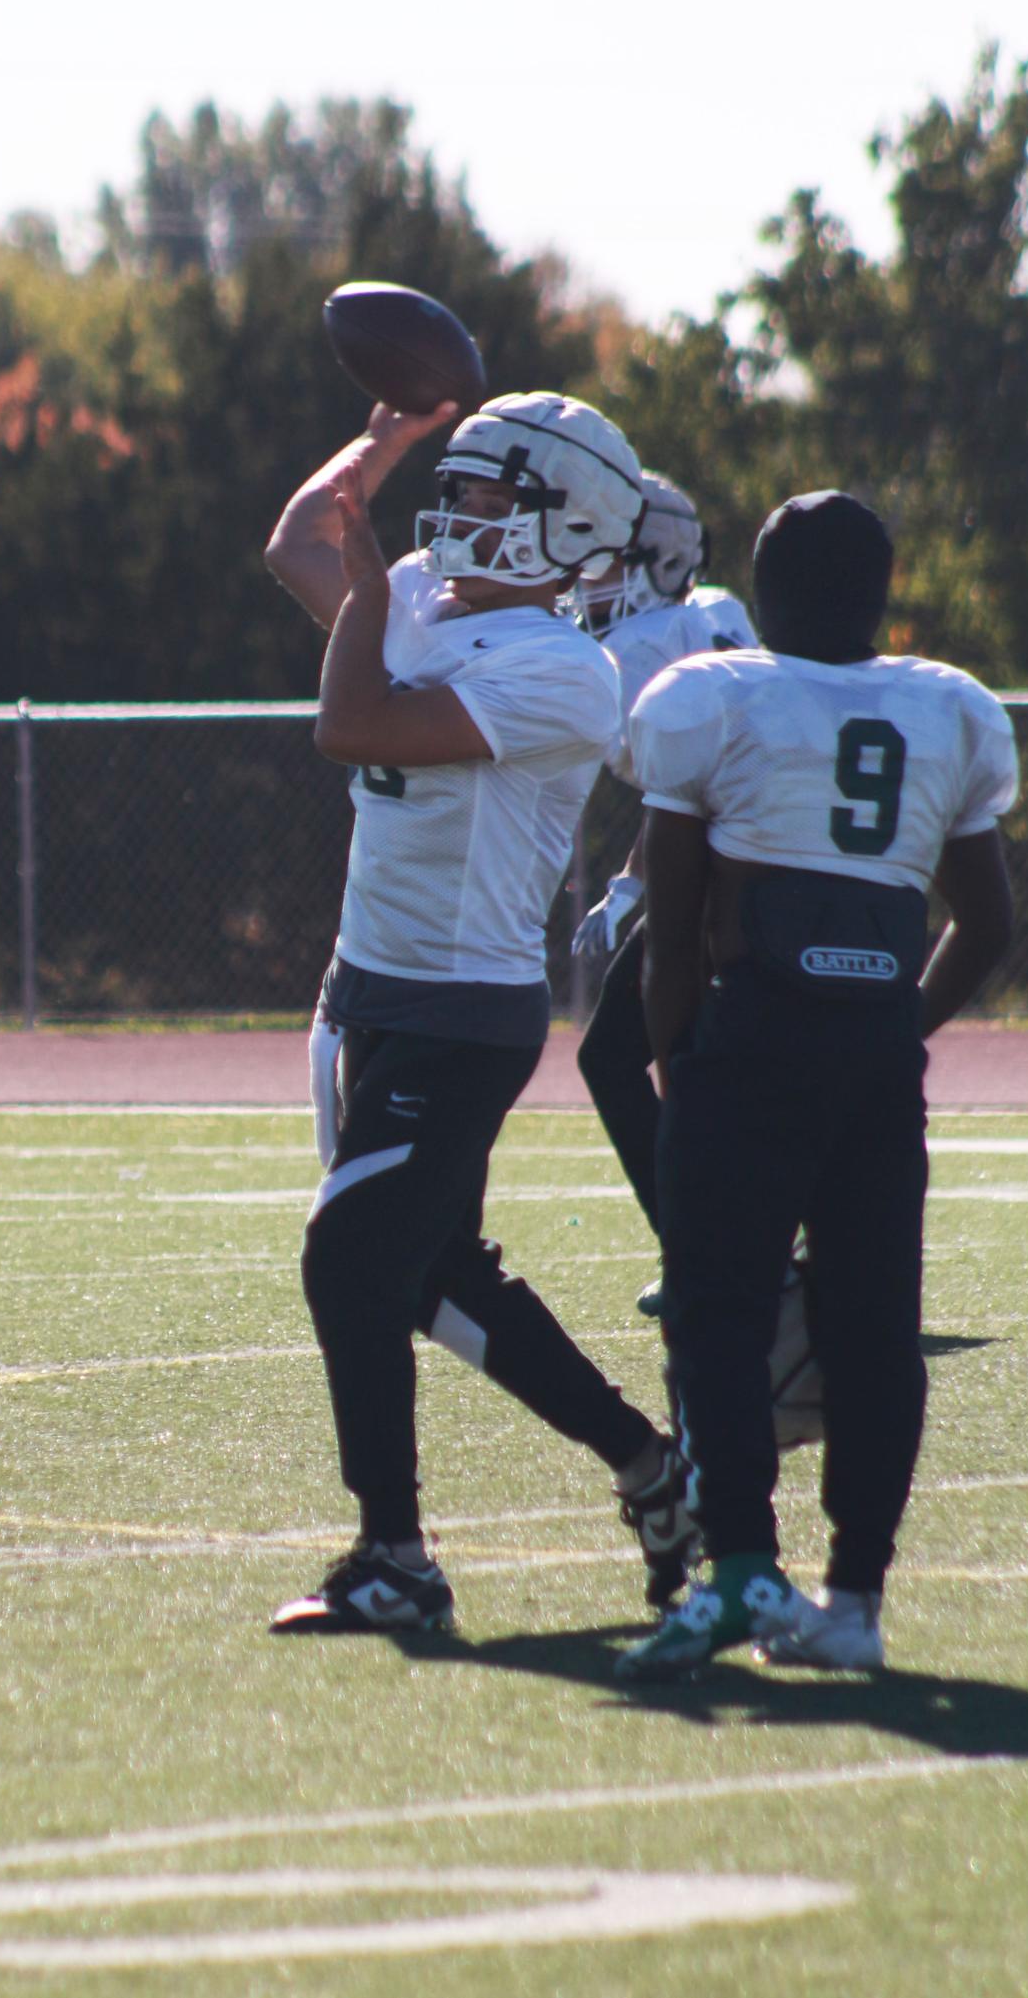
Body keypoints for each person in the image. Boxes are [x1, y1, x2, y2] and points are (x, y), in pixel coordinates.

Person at [263, 391, 700, 1633]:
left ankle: (394, 1557)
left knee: (349, 1261)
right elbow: (294, 542)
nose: (454, 513)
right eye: (450, 488)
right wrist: (384, 438)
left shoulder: (565, 669)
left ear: (571, 528)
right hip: (360, 995)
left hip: (461, 1013)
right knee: (422, 1275)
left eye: (488, 495)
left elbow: (347, 726)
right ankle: (651, 1468)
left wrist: (361, 597)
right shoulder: (416, 591)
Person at [613, 489, 1017, 1680]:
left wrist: (675, 1060)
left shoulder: (712, 697)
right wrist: (898, 1025)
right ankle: (853, 1600)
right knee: (871, 1322)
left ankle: (739, 1571)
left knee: (715, 1312)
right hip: (869, 1057)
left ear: (762, 584)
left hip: (751, 1042)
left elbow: (673, 922)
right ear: (883, 590)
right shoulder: (947, 707)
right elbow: (985, 922)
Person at [572, 473, 757, 1277]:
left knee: (630, 1058)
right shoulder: (715, 612)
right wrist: (631, 879)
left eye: (603, 559)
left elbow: (679, 796)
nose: (584, 577)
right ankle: (747, 1242)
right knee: (717, 1063)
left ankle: (700, 1249)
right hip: (760, 858)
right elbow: (682, 791)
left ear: (658, 561)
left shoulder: (629, 654)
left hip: (718, 883)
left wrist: (635, 887)